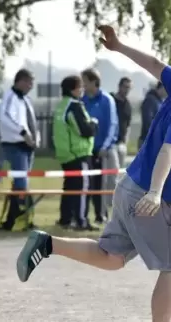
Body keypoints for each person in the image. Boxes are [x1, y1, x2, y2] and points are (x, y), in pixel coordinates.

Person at [16, 24, 171, 322]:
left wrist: (120, 46)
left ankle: (47, 243)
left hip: (128, 187)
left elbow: (154, 64)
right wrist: (155, 191)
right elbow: (167, 153)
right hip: (153, 199)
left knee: (111, 258)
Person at [53, 75, 99, 231]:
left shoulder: (61, 106)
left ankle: (65, 219)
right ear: (73, 89)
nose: (83, 90)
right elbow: (84, 130)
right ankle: (81, 220)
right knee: (83, 188)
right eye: (80, 87)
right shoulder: (74, 106)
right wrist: (94, 124)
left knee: (69, 188)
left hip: (65, 155)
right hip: (79, 154)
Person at [0, 69, 38, 230]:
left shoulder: (25, 100)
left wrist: (36, 138)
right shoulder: (10, 97)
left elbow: (31, 121)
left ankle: (11, 221)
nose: (31, 86)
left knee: (21, 184)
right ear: (20, 81)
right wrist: (23, 132)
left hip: (27, 147)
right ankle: (19, 219)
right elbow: (5, 117)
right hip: (15, 145)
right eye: (29, 82)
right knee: (21, 183)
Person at [81, 68, 119, 224]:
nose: (83, 85)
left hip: (103, 150)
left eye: (85, 81)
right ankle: (85, 215)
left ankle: (101, 214)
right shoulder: (83, 100)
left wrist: (104, 146)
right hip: (88, 150)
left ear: (93, 82)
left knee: (102, 184)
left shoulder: (107, 100)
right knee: (89, 184)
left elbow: (112, 125)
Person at [138, 81, 166, 149]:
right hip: (148, 141)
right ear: (162, 87)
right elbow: (147, 120)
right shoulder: (150, 100)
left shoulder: (161, 101)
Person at [112, 77, 133, 168]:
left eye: (129, 88)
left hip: (121, 143)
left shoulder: (128, 105)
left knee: (120, 170)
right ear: (119, 86)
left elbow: (128, 124)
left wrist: (125, 141)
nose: (126, 90)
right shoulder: (111, 101)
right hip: (110, 143)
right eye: (125, 87)